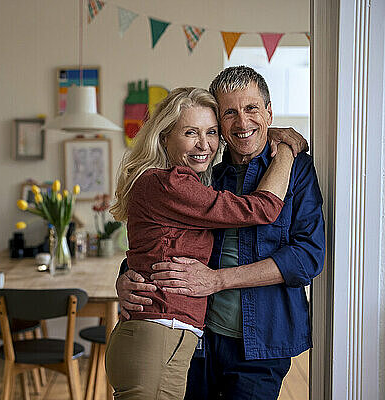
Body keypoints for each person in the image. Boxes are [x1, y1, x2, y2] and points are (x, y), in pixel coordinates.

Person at [116, 66, 325, 400]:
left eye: (252, 109)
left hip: (262, 344)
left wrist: (219, 280)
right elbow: (162, 237)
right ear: (220, 125)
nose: (242, 123)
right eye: (230, 113)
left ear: (269, 112)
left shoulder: (296, 171)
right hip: (198, 338)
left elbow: (307, 259)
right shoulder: (205, 172)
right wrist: (127, 277)